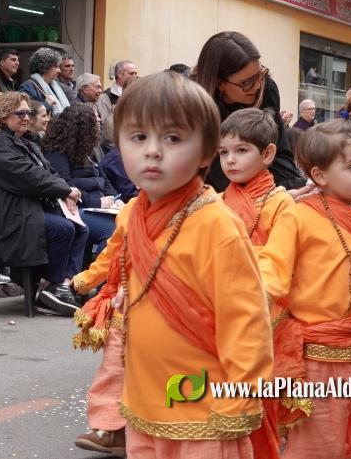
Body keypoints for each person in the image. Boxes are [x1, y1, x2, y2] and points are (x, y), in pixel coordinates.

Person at [76, 71, 272, 458]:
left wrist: (237, 403)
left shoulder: (217, 225)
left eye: (173, 138)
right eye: (138, 137)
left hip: (205, 414)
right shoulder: (135, 214)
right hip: (144, 406)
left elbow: (246, 322)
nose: (152, 150)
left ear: (206, 151)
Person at [258, 119, 351, 458]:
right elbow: (272, 269)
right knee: (317, 443)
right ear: (320, 176)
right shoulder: (296, 216)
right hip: (317, 359)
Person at [0, 92, 88, 316]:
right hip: (7, 219)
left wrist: (67, 193)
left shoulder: (23, 142)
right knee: (63, 228)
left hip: (27, 209)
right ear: (3, 117)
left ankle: (61, 286)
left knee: (81, 227)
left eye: (28, 112)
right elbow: (28, 177)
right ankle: (53, 287)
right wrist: (64, 190)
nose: (26, 117)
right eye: (20, 113)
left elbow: (48, 171)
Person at [191, 32, 304, 192]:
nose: (258, 86)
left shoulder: (267, 90)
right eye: (247, 82)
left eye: (260, 75)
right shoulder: (195, 105)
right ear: (219, 83)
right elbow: (215, 170)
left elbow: (278, 153)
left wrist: (286, 191)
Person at [42, 104, 119, 255]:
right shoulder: (57, 152)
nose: (99, 120)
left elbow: (104, 180)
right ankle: (98, 276)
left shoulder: (88, 148)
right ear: (82, 126)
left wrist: (116, 199)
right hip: (76, 209)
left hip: (99, 207)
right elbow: (65, 186)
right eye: (94, 117)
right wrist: (98, 202)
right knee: (113, 231)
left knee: (128, 222)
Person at [218, 108, 293, 247]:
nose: (229, 160)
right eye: (223, 152)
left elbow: (282, 257)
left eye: (241, 150)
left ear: (267, 154)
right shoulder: (215, 200)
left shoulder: (281, 203)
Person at [96, 60, 138, 144]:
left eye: (136, 73)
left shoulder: (138, 94)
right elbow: (107, 127)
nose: (135, 76)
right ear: (119, 74)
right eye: (131, 73)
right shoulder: (105, 97)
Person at [19, 47, 69, 115]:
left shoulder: (55, 86)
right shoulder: (28, 87)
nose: (59, 71)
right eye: (57, 66)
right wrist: (46, 105)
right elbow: (26, 114)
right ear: (45, 67)